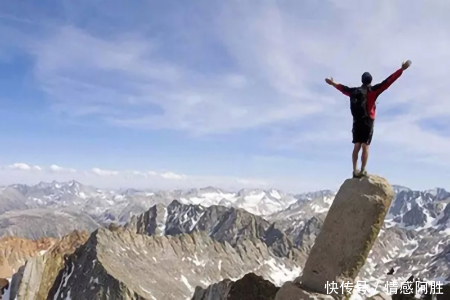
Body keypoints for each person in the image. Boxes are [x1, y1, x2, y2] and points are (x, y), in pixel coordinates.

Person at [325, 60, 412, 178]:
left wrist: (332, 83)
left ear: (362, 81)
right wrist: (401, 70)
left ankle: (354, 170)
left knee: (356, 145)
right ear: (370, 81)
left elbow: (342, 88)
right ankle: (363, 170)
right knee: (365, 146)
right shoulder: (373, 91)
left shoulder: (354, 91)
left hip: (356, 121)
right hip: (368, 121)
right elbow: (388, 81)